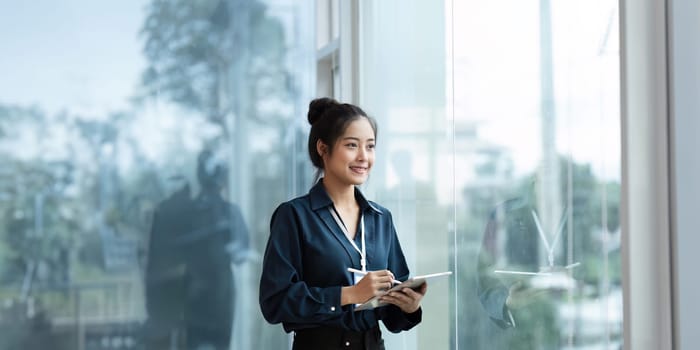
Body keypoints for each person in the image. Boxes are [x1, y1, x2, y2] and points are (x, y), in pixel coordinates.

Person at [259, 97, 426, 349]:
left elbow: (392, 315)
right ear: (323, 149)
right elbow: (275, 301)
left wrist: (409, 307)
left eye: (370, 147)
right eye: (351, 145)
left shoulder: (381, 218)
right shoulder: (294, 216)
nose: (363, 157)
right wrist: (349, 295)